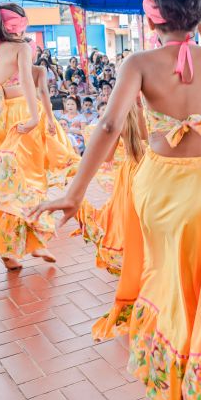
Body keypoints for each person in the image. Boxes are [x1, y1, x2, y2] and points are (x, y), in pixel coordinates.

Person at [30, 0, 201, 400]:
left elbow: (110, 125)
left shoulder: (139, 63)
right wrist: (196, 19)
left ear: (151, 14)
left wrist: (74, 192)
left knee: (166, 282)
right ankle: (198, 390)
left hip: (159, 188)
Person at [0, 3, 80, 270]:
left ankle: (18, 245)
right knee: (28, 177)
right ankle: (28, 240)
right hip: (21, 113)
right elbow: (26, 83)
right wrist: (36, 117)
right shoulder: (21, 48)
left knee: (2, 180)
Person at [75, 103, 146, 275]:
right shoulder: (155, 111)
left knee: (128, 217)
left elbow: (107, 157)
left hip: (130, 172)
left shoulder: (120, 117)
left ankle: (135, 258)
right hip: (154, 169)